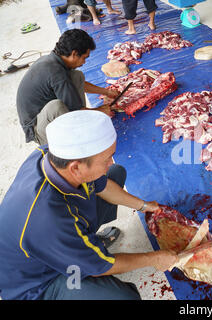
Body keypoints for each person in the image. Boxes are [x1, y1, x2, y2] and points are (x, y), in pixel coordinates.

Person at [0, 110, 178, 300]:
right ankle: (81, 251)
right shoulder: (49, 219)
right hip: (38, 281)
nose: (110, 162)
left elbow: (103, 186)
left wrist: (144, 206)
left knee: (115, 173)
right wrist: (155, 258)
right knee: (122, 298)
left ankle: (81, 246)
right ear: (75, 168)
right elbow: (102, 267)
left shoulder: (50, 155)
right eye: (106, 159)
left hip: (56, 240)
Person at [16, 29, 119, 146]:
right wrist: (99, 112)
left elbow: (79, 83)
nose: (84, 62)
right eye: (84, 58)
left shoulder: (53, 60)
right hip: (38, 130)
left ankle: (82, 119)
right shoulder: (55, 72)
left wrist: (106, 92)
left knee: (76, 75)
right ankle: (76, 134)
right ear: (74, 54)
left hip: (42, 114)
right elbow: (75, 110)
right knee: (56, 106)